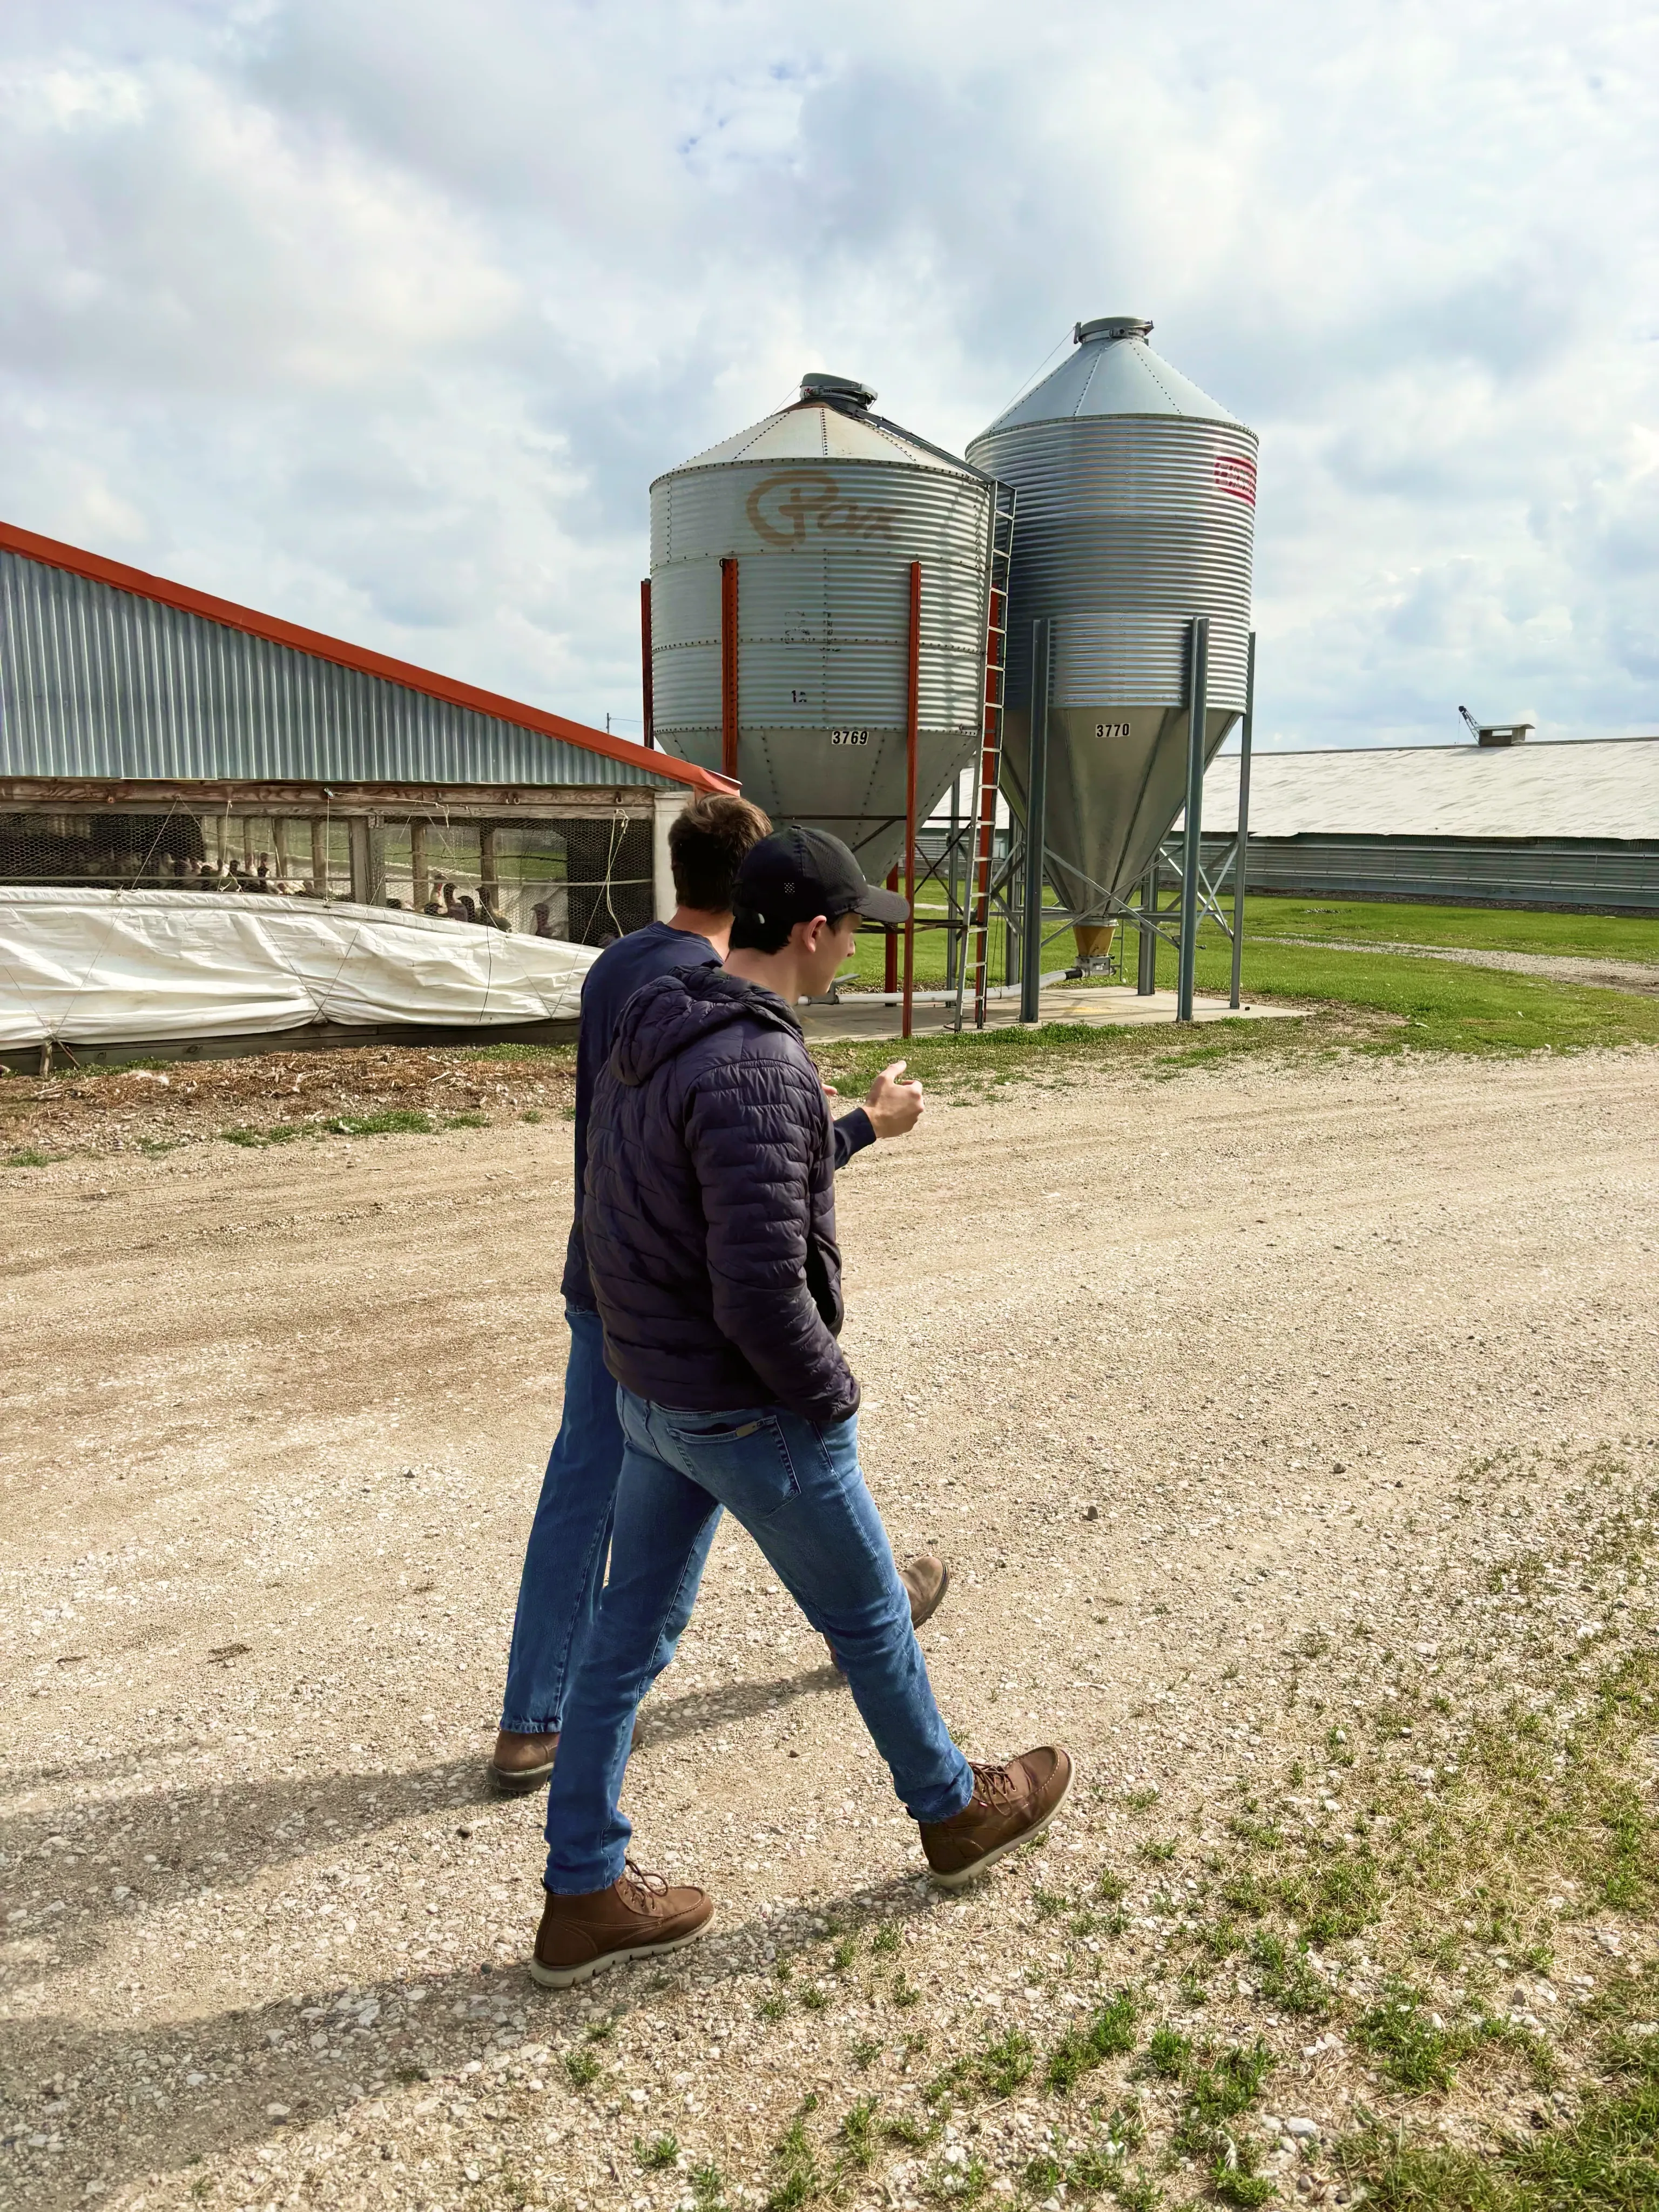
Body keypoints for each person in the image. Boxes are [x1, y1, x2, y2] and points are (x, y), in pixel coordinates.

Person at [527, 828, 1071, 1988]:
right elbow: (763, 1286)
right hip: (746, 1410)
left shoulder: (663, 1024)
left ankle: (580, 1893)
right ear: (812, 931)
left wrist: (862, 1124)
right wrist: (830, 1400)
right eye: (856, 926)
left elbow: (646, 1211)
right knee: (871, 1610)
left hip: (656, 1397)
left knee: (625, 1638)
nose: (860, 947)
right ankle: (953, 1808)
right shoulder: (762, 1067)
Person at [492, 795, 944, 1793]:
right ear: (778, 905)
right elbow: (749, 1236)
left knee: (610, 1516)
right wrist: (862, 1125)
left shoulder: (627, 972)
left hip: (614, 1266)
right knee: (768, 1481)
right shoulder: (721, 1009)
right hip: (674, 1308)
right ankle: (899, 1690)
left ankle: (547, 1736)